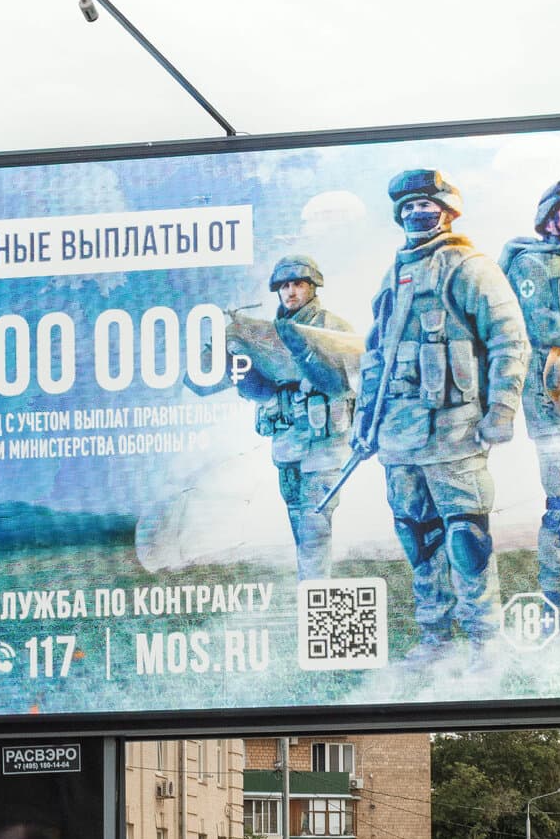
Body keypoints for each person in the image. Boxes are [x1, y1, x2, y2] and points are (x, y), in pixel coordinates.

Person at [355, 167, 530, 669]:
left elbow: (509, 339)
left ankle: (484, 641)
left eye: (424, 205)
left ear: (448, 209)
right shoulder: (394, 274)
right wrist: (364, 425)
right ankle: (436, 635)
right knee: (416, 534)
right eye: (407, 208)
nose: (415, 214)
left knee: (465, 537)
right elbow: (376, 360)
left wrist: (500, 409)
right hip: (398, 436)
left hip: (455, 431)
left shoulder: (469, 267)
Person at [221, 256, 360, 580]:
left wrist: (306, 354)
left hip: (324, 444)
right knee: (299, 520)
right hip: (286, 444)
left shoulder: (333, 328)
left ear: (312, 286)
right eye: (284, 285)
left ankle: (313, 593)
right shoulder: (265, 334)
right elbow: (254, 386)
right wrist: (233, 354)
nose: (291, 291)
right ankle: (310, 589)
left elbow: (346, 384)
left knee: (314, 523)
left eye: (298, 283)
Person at [500, 177, 560, 624]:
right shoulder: (531, 265)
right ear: (549, 219)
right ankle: (557, 612)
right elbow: (539, 324)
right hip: (555, 410)